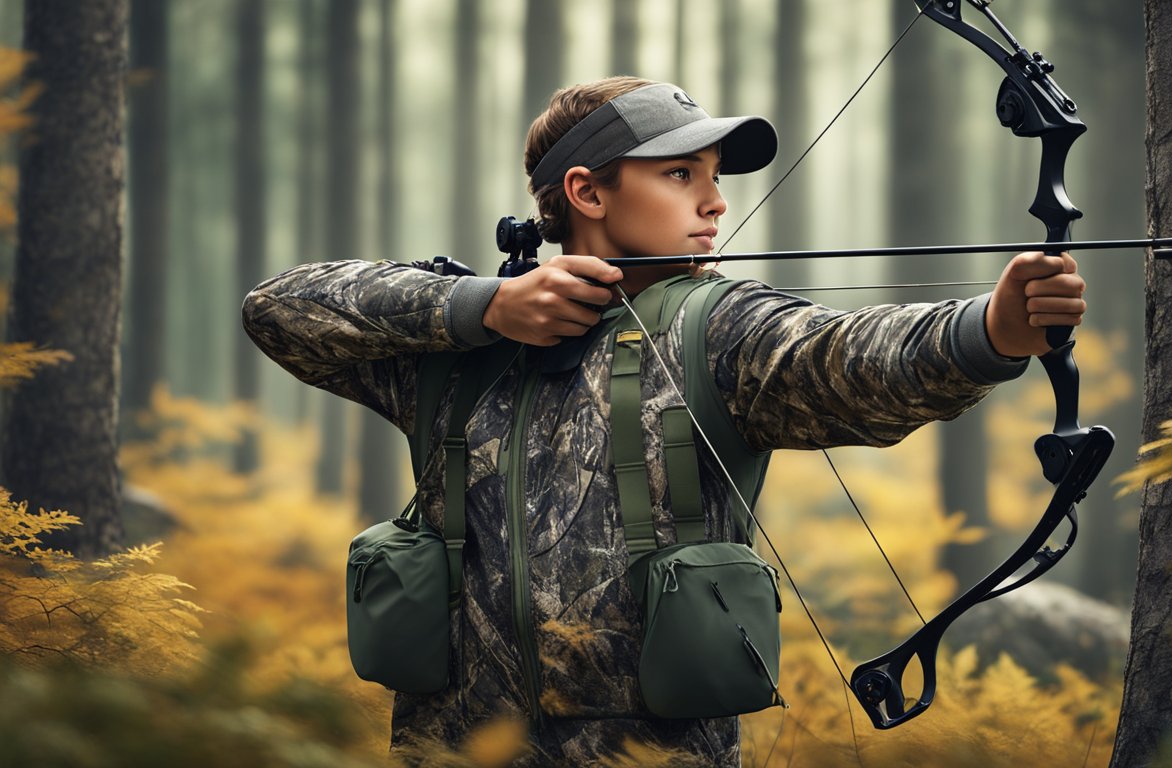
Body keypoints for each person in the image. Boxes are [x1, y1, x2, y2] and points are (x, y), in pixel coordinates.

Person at [242, 75, 1086, 766]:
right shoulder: (461, 347)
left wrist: (992, 331)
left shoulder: (715, 329)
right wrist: (484, 306)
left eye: (716, 177)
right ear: (586, 192)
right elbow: (278, 309)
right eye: (681, 174)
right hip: (451, 749)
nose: (715, 202)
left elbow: (848, 356)